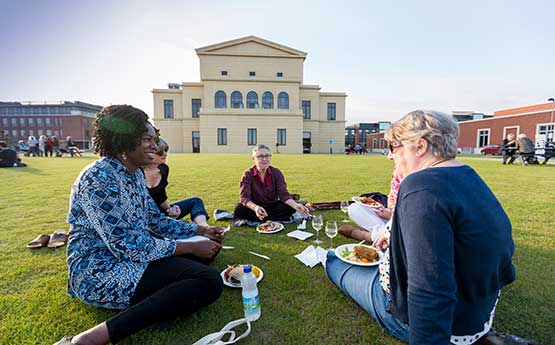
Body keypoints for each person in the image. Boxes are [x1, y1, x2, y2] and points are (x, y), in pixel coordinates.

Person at [326, 110, 532, 345]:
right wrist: (391, 234)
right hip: (477, 312)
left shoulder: (419, 187)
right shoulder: (468, 175)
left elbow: (429, 288)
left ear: (420, 146)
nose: (390, 156)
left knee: (333, 262)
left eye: (394, 146)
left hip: (434, 322)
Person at [56, 105, 225, 345]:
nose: (155, 146)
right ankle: (90, 338)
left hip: (134, 258)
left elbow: (153, 220)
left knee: (206, 254)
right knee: (209, 281)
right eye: (147, 139)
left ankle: (161, 306)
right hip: (100, 268)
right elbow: (124, 245)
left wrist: (201, 230)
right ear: (125, 139)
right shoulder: (98, 177)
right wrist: (189, 247)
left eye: (155, 139)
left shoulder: (134, 173)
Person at [233, 144, 310, 223]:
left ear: (270, 157)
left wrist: (296, 206)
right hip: (255, 207)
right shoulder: (248, 174)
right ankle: (275, 218)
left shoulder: (276, 172)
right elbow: (244, 198)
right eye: (260, 156)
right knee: (239, 209)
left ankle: (264, 218)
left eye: (267, 156)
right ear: (253, 159)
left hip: (272, 206)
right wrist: (255, 208)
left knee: (290, 207)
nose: (264, 159)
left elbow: (283, 195)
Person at [143, 137, 209, 225]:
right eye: (160, 152)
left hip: (162, 212)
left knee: (196, 201)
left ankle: (204, 226)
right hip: (145, 217)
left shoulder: (163, 169)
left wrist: (170, 209)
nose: (165, 154)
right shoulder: (136, 173)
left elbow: (161, 197)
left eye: (166, 150)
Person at [338, 165, 403, 242]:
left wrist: (392, 216)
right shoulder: (398, 170)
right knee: (354, 208)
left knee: (403, 236)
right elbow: (392, 197)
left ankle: (366, 235)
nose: (389, 156)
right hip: (394, 217)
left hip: (405, 222)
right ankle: (384, 233)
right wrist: (389, 211)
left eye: (393, 152)